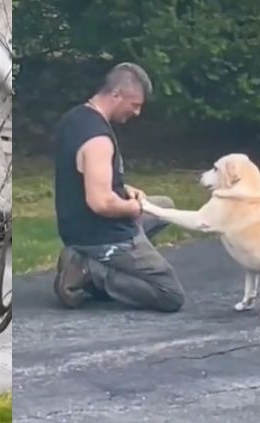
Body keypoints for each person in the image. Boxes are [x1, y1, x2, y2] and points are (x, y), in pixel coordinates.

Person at [52, 62, 186, 312]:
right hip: (102, 234)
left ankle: (99, 261)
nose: (136, 113)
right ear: (116, 95)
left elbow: (82, 174)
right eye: (135, 105)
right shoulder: (98, 139)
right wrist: (132, 207)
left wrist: (125, 189)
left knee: (164, 207)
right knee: (170, 295)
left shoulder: (75, 119)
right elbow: (101, 202)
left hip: (76, 226)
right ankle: (91, 271)